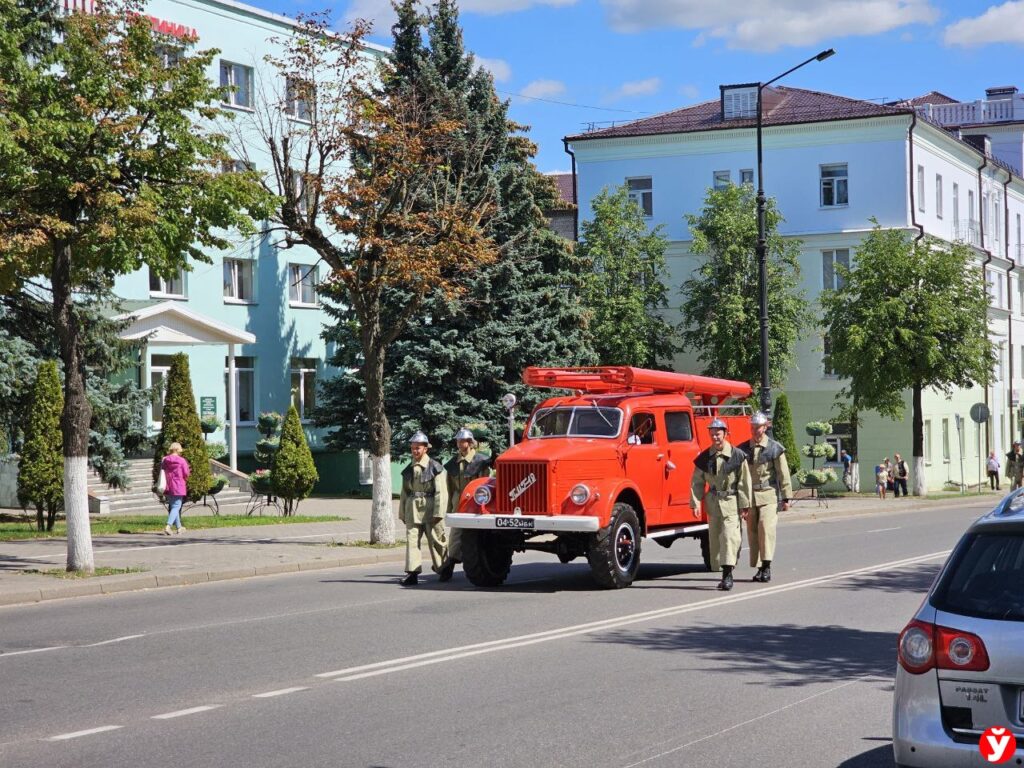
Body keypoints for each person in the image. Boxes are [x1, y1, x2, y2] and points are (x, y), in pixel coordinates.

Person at [690, 418, 752, 591]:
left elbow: (744, 482)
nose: (715, 437)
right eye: (712, 434)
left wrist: (744, 505)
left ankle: (727, 575)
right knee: (716, 541)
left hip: (731, 502)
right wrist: (695, 503)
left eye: (718, 433)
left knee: (729, 538)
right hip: (714, 503)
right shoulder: (705, 457)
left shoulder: (737, 455)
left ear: (725, 433)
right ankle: (722, 569)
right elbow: (697, 482)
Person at [739, 411, 792, 584]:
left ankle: (767, 566)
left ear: (766, 427)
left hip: (768, 494)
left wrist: (786, 497)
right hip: (749, 496)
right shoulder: (743, 449)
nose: (755, 431)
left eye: (759, 427)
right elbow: (738, 476)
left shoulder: (774, 448)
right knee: (753, 533)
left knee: (765, 528)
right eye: (753, 427)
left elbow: (783, 474)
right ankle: (760, 567)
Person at [439, 427, 492, 582]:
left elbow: (485, 483)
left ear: (470, 443)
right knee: (455, 534)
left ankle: (467, 563)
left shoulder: (480, 461)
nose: (459, 443)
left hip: (475, 501)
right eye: (458, 440)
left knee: (476, 536)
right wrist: (449, 507)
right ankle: (450, 564)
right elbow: (450, 487)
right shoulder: (453, 464)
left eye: (462, 441)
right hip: (458, 502)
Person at [398, 431, 448, 586]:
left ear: (426, 448)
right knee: (412, 540)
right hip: (412, 508)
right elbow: (405, 491)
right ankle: (412, 573)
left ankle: (443, 568)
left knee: (435, 539)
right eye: (413, 448)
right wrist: (402, 512)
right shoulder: (409, 468)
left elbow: (441, 491)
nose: (415, 451)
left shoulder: (435, 467)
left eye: (418, 448)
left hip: (430, 506)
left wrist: (439, 513)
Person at [161, 442, 190, 535]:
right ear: (178, 450)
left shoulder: (165, 460)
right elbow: (186, 473)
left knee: (174, 506)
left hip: (169, 485)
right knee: (177, 506)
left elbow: (162, 470)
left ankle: (179, 527)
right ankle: (168, 526)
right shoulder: (182, 461)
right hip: (179, 485)